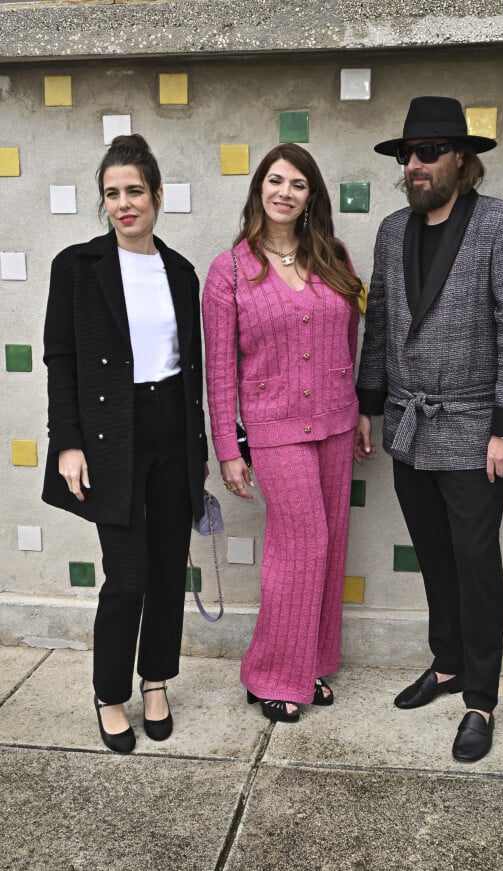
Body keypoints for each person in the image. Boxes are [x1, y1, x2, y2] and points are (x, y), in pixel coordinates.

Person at [355, 96, 503, 762]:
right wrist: (368, 403)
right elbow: (379, 321)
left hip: (472, 427)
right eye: (408, 154)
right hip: (408, 423)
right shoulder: (390, 230)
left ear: (462, 159)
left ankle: (481, 697)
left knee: (474, 561)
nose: (415, 164)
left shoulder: (501, 226)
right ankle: (446, 661)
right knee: (434, 554)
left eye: (429, 151)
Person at [42, 134, 208, 753]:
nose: (123, 204)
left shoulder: (182, 272)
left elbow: (191, 372)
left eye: (134, 191)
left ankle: (156, 680)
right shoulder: (76, 267)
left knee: (168, 572)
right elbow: (61, 359)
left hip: (172, 429)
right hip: (113, 433)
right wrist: (68, 442)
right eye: (112, 194)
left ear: (157, 195)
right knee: (128, 575)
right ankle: (110, 693)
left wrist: (201, 452)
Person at [203, 143, 363, 722]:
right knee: (302, 545)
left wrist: (360, 408)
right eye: (275, 181)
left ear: (310, 195)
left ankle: (309, 665)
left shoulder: (334, 255)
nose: (285, 192)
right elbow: (220, 371)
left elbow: (349, 341)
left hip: (338, 423)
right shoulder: (232, 269)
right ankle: (270, 673)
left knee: (331, 543)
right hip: (275, 431)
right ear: (259, 190)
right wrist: (228, 449)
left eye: (297, 183)